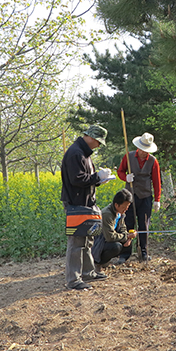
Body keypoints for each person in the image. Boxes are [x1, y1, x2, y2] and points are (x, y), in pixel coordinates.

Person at [61, 124, 112, 290]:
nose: (98, 145)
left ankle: (88, 272)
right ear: (90, 137)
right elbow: (77, 179)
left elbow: (86, 179)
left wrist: (98, 180)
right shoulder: (76, 153)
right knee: (76, 242)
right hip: (76, 203)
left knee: (88, 239)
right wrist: (96, 177)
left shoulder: (84, 153)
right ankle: (73, 280)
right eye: (98, 142)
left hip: (86, 202)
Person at [117, 132, 161, 262]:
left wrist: (157, 200)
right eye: (142, 150)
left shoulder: (153, 161)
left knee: (144, 225)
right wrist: (126, 177)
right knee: (128, 223)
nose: (144, 153)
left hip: (145, 196)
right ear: (138, 148)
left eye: (146, 151)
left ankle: (144, 252)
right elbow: (120, 171)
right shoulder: (128, 157)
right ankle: (125, 253)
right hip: (129, 196)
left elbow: (157, 181)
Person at [92, 189, 138, 272]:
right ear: (117, 205)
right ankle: (97, 263)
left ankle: (105, 261)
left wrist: (128, 238)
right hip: (98, 243)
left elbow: (123, 228)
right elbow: (110, 237)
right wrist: (126, 236)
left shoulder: (120, 213)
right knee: (116, 247)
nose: (126, 209)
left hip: (107, 240)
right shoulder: (107, 214)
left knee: (127, 244)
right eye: (124, 207)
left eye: (127, 207)